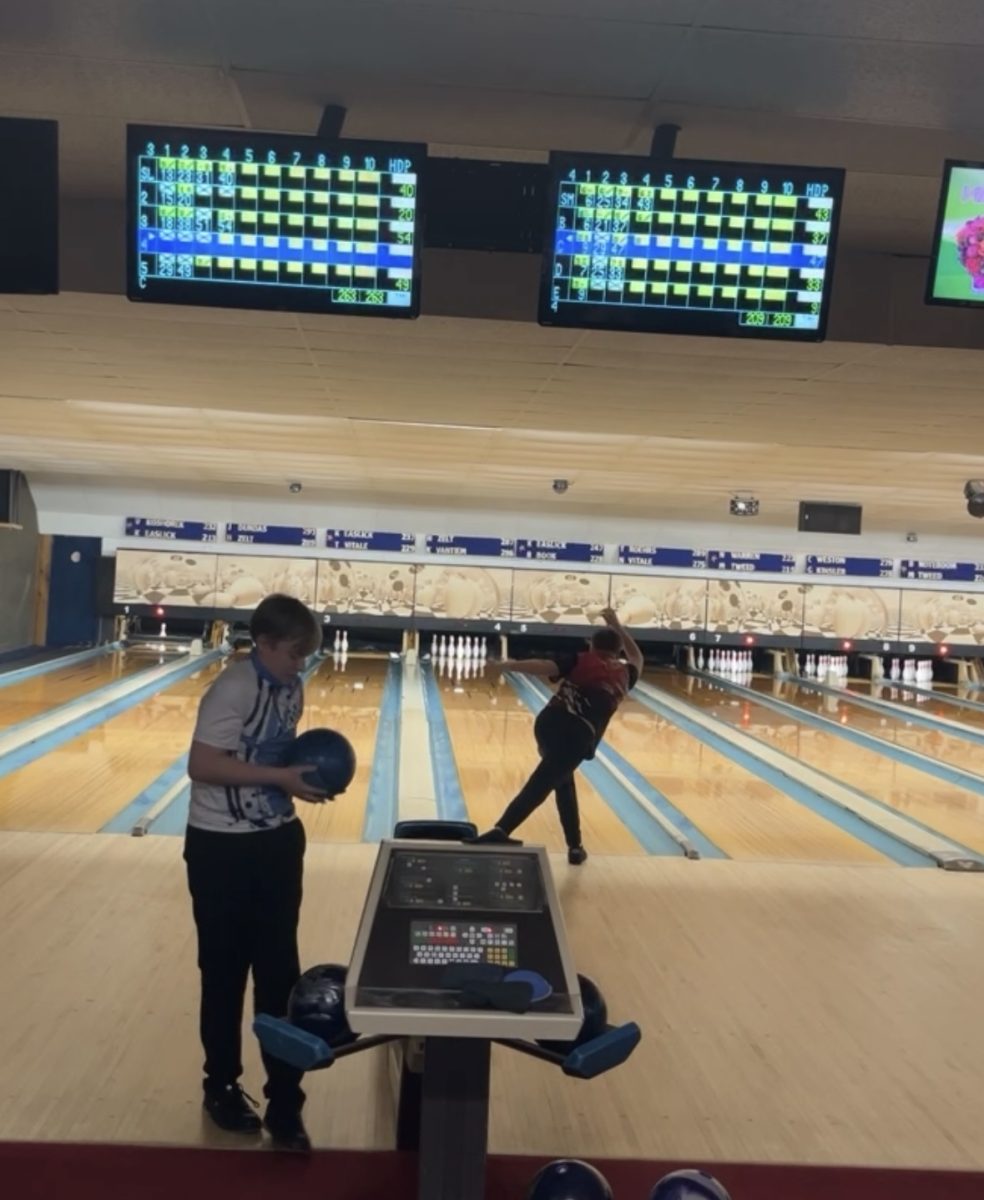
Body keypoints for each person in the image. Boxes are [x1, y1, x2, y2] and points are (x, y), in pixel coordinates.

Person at [184, 593, 327, 1152]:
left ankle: (286, 1103)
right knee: (223, 973)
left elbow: (273, 756)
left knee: (279, 975)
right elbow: (202, 765)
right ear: (264, 643)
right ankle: (220, 1087)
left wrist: (295, 780)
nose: (301, 664)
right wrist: (280, 779)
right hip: (220, 848)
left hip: (276, 842)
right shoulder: (234, 688)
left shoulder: (290, 686)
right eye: (294, 653)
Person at [472, 607, 643, 863]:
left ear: (591, 645)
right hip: (578, 736)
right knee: (544, 781)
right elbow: (636, 655)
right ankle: (502, 829)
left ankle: (575, 846)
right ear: (618, 652)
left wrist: (507, 665)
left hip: (549, 724)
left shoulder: (581, 659)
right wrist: (616, 623)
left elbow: (543, 666)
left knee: (562, 780)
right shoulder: (626, 673)